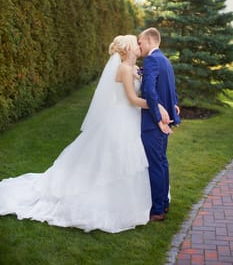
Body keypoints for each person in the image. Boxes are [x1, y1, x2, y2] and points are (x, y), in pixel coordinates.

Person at [0, 35, 169, 233]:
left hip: (131, 119)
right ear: (129, 48)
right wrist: (157, 106)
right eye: (136, 42)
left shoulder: (133, 69)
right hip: (121, 118)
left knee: (128, 159)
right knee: (118, 158)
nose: (139, 45)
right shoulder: (123, 68)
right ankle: (112, 202)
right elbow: (132, 99)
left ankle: (135, 200)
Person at [138, 27, 181, 222]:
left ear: (148, 40)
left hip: (153, 124)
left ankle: (157, 211)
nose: (139, 46)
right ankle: (163, 203)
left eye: (140, 42)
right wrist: (174, 106)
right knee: (162, 163)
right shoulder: (165, 60)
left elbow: (149, 91)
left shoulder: (152, 60)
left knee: (155, 165)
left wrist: (158, 119)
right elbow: (171, 89)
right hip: (163, 121)